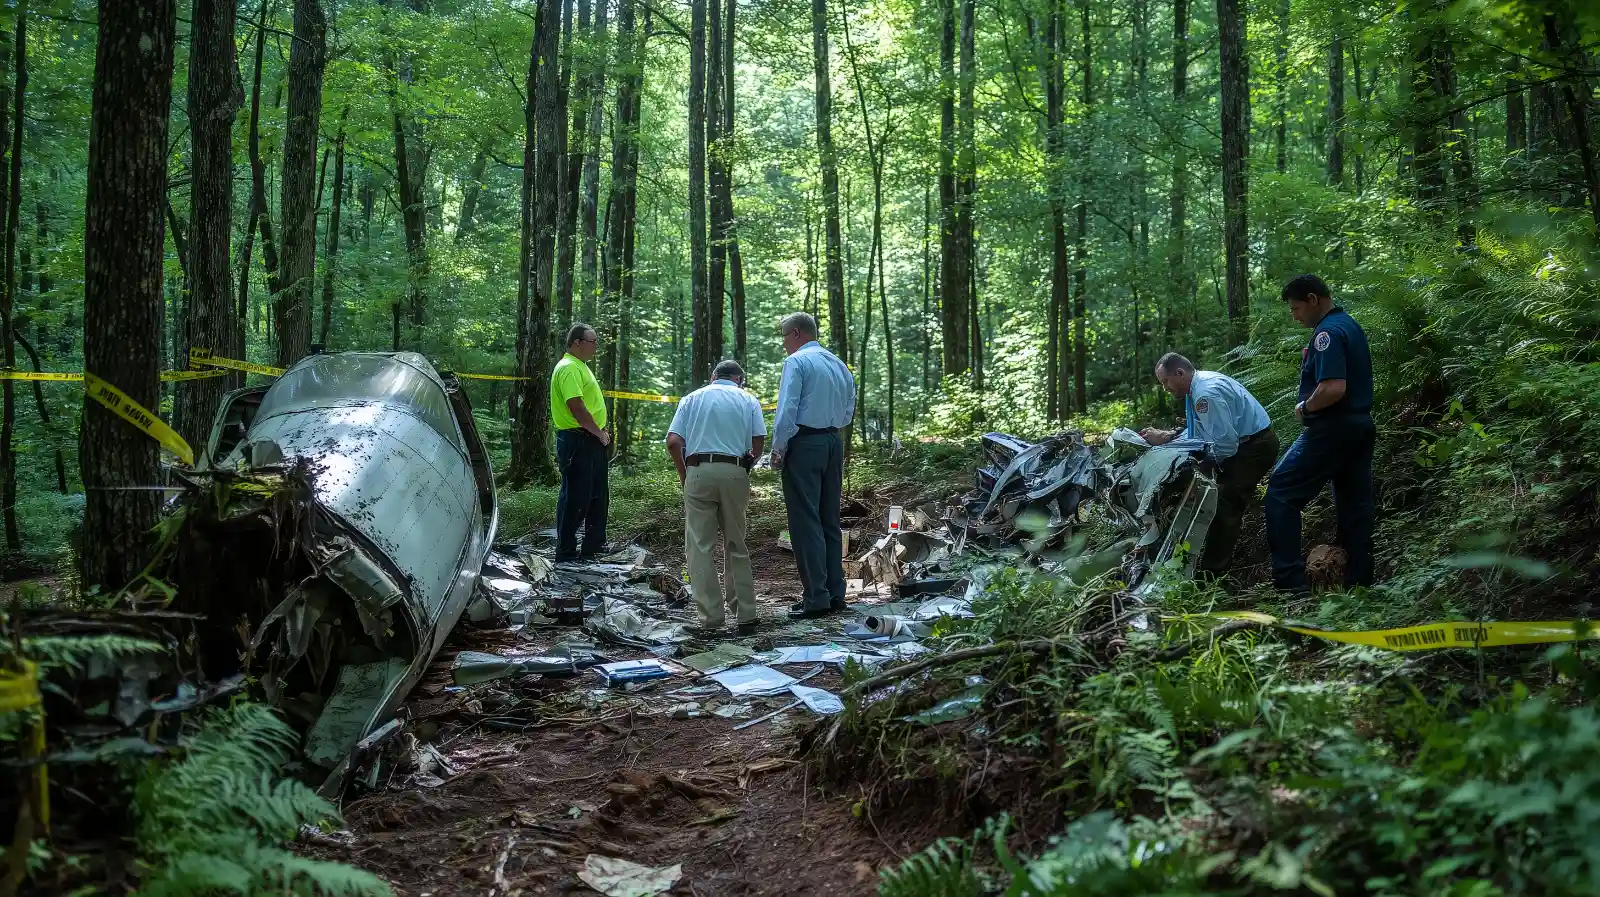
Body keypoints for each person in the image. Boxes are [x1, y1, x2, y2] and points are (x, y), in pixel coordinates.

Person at [1264, 274, 1375, 594]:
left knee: (1280, 492)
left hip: (1332, 428)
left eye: (1296, 308)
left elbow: (1333, 388)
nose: (1294, 316)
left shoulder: (1327, 333)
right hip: (1359, 426)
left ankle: (1291, 584)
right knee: (1354, 505)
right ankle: (1359, 584)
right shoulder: (1349, 325)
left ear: (1313, 300)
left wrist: (1306, 408)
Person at [1139, 353, 1279, 579]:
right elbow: (1203, 431)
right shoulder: (1198, 386)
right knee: (1218, 500)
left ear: (1179, 373)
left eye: (1165, 381)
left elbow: (1225, 444)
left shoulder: (1205, 394)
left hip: (1253, 448)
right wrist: (1169, 437)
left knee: (1224, 506)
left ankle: (1211, 576)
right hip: (1248, 443)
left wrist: (1202, 466)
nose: (1165, 388)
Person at [666, 360, 766, 636]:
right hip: (735, 471)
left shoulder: (692, 399)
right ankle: (746, 614)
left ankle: (711, 618)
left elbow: (673, 442)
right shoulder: (748, 399)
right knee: (736, 542)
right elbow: (758, 441)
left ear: (713, 377)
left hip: (698, 470)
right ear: (739, 380)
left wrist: (685, 475)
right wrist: (746, 466)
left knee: (699, 546)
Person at [771, 312, 856, 620]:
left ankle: (816, 597)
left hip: (805, 442)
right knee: (829, 519)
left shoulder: (797, 362)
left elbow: (787, 409)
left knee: (805, 521)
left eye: (784, 337)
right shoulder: (838, 364)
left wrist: (778, 448)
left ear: (795, 333)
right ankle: (835, 593)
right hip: (833, 440)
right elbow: (848, 409)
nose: (784, 344)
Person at [550, 323, 610, 563]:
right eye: (592, 342)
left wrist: (600, 433)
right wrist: (598, 432)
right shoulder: (568, 368)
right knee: (575, 497)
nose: (596, 347)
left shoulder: (580, 366)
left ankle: (593, 546)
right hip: (578, 440)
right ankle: (566, 551)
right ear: (577, 342)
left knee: (597, 495)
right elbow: (576, 406)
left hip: (591, 439)